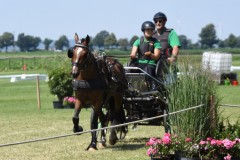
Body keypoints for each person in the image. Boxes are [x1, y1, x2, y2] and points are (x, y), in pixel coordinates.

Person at [129, 21, 161, 90]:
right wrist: (133, 56)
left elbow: (156, 57)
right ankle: (129, 87)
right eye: (148, 30)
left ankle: (149, 88)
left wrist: (151, 55)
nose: (150, 31)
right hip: (139, 64)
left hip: (150, 64)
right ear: (144, 31)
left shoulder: (156, 42)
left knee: (147, 70)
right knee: (130, 68)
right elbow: (133, 53)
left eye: (151, 30)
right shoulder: (138, 41)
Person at [152, 12, 181, 84]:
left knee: (169, 86)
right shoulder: (152, 34)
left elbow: (175, 47)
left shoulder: (171, 33)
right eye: (156, 21)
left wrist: (173, 58)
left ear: (165, 21)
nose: (158, 23)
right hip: (154, 62)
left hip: (167, 63)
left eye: (160, 21)